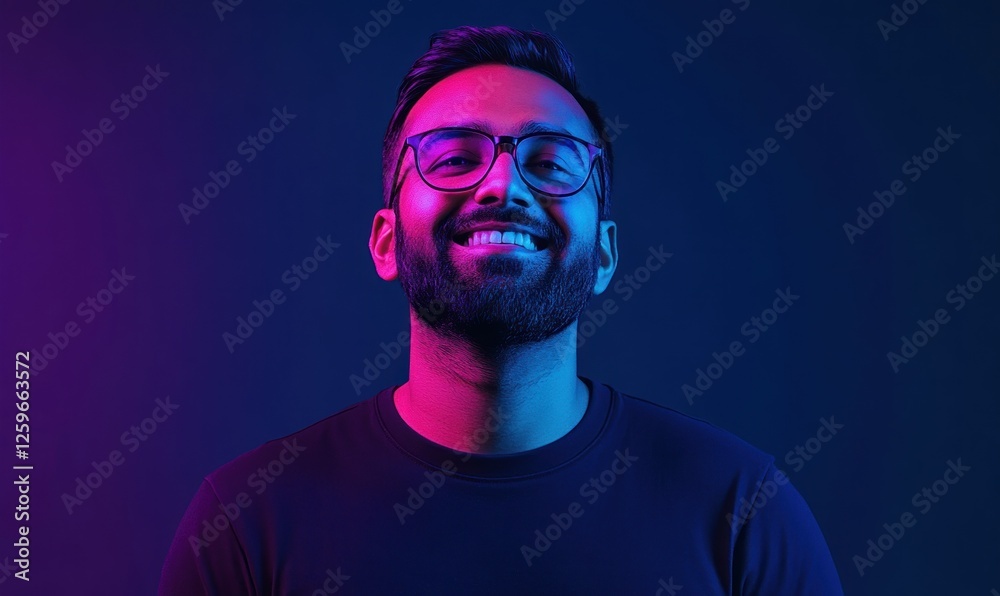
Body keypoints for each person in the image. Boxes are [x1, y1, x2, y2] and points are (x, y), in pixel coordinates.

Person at [159, 25, 844, 595]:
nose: (502, 184)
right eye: (454, 158)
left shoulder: (743, 513)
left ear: (605, 254)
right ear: (388, 241)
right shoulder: (248, 523)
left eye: (550, 163)